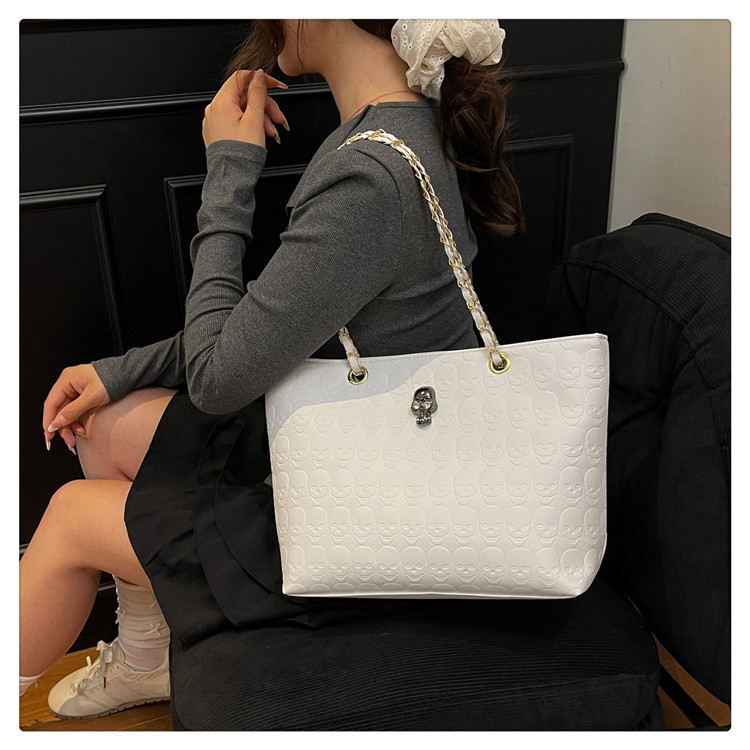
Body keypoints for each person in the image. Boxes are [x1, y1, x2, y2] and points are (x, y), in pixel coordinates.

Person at [20, 19, 523, 720]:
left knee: (70, 518)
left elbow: (218, 381)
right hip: (362, 452)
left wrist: (228, 169)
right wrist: (121, 370)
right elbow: (271, 324)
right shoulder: (404, 131)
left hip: (364, 518)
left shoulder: (372, 175)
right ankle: (145, 658)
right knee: (103, 426)